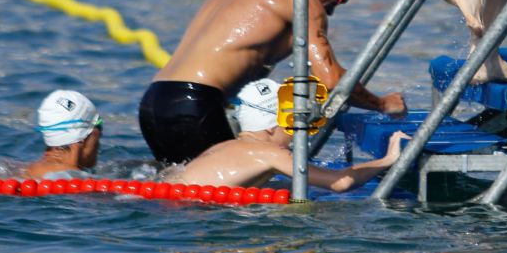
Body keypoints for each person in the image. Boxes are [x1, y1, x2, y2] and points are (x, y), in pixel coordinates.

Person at [138, 0, 406, 168]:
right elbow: (333, 80)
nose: (333, 10)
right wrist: (382, 104)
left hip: (154, 99)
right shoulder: (303, 0)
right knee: (220, 216)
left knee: (174, 192)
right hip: (194, 105)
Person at [169, 78, 411, 193]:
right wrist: (387, 160)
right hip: (187, 211)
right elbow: (341, 182)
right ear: (271, 125)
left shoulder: (222, 147)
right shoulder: (269, 153)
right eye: (291, 123)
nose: (297, 132)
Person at [25, 89, 103, 181]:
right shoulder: (78, 180)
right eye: (99, 127)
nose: (99, 142)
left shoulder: (26, 170)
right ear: (82, 138)